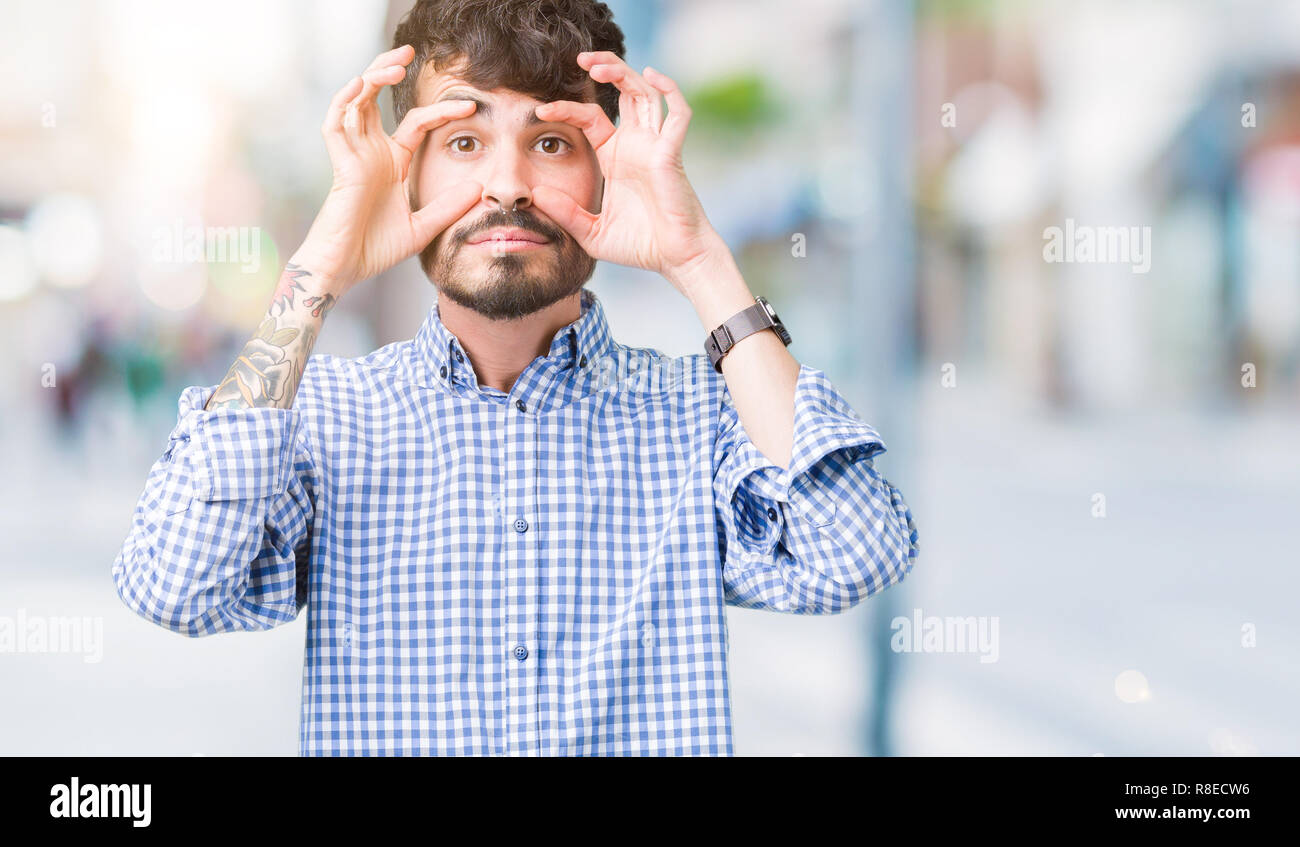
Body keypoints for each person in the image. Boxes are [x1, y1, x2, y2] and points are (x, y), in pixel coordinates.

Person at [112, 0, 919, 756]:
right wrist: (316, 274)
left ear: (606, 172)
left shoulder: (702, 417)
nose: (506, 186)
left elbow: (855, 554)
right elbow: (173, 586)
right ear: (409, 178)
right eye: (464, 143)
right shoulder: (323, 419)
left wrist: (702, 264)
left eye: (551, 142)